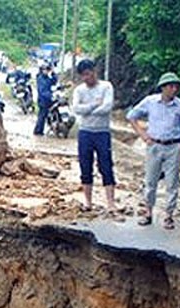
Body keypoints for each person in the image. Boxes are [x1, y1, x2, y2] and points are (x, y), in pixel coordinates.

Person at [126, 71, 180, 229]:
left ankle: (168, 215)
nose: (174, 89)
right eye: (170, 86)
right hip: (154, 145)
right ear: (163, 88)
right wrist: (143, 135)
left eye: (176, 86)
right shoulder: (150, 102)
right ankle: (148, 212)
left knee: (172, 182)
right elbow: (132, 116)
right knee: (150, 180)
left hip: (173, 146)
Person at [72, 58, 117, 214]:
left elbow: (107, 107)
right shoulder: (79, 90)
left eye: (88, 74)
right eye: (83, 75)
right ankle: (88, 201)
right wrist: (93, 105)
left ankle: (110, 203)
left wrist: (88, 109)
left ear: (94, 71)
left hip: (102, 132)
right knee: (85, 165)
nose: (86, 78)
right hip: (85, 131)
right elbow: (76, 108)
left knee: (106, 165)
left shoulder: (106, 86)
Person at [34, 62, 57, 135]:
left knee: (46, 114)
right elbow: (43, 91)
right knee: (42, 116)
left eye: (47, 70)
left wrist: (53, 73)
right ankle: (38, 131)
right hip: (43, 100)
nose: (46, 71)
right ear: (42, 70)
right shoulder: (40, 79)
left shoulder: (47, 78)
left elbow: (54, 82)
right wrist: (50, 96)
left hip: (48, 100)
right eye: (45, 70)